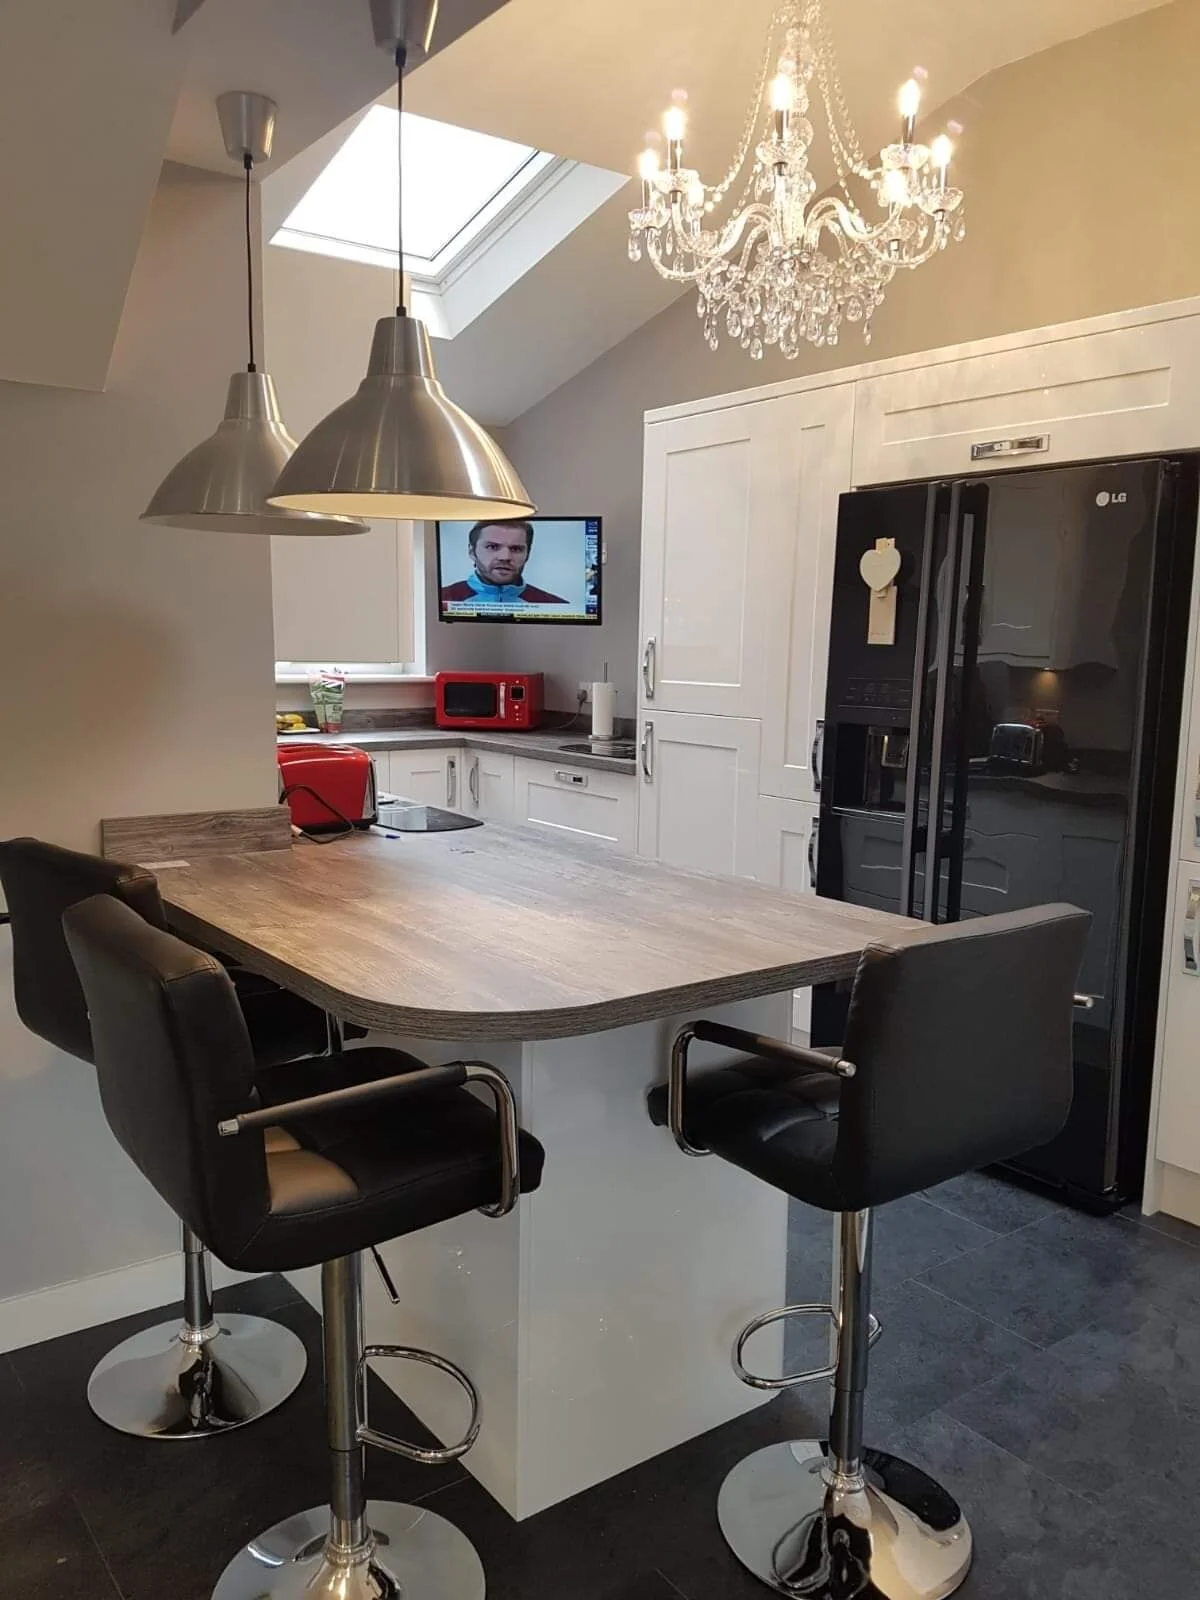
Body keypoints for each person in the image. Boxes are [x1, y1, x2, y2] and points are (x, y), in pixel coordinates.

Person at [440, 521, 566, 607]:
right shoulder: (442, 599)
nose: (505, 557)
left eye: (516, 549)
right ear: (472, 552)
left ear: (528, 554)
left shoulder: (556, 606)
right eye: (492, 547)